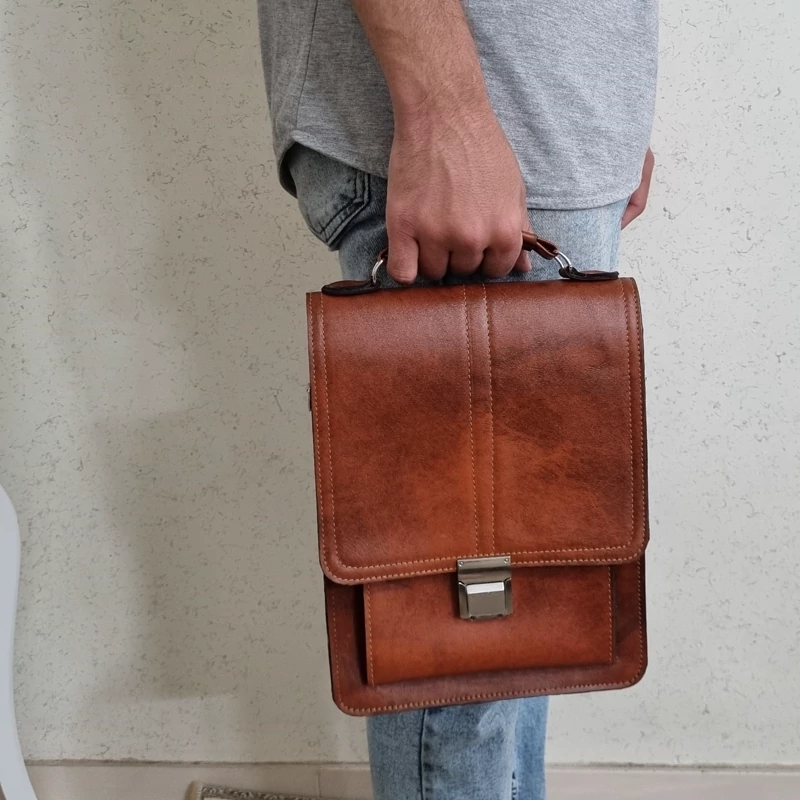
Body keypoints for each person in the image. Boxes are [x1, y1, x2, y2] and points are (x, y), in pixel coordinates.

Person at [257, 0, 658, 797]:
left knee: (517, 642)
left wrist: (606, 106)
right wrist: (446, 110)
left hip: (547, 123)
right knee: (458, 643)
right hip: (463, 123)